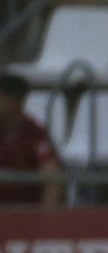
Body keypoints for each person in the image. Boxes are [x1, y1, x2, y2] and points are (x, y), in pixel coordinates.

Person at [0, 72, 64, 206]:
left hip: (20, 216)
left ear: (14, 100)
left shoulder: (34, 134)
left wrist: (44, 221)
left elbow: (52, 179)